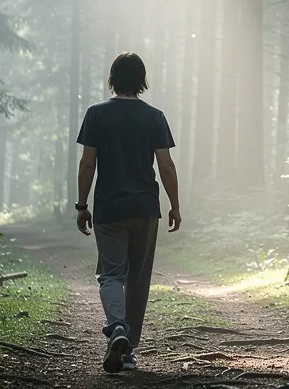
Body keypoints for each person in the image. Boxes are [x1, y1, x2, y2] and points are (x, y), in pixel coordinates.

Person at [74, 52, 182, 373]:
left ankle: (117, 329)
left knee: (110, 274)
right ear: (142, 81)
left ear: (113, 79)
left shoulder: (96, 114)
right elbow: (165, 164)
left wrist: (82, 206)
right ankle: (128, 349)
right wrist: (175, 205)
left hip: (109, 208)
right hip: (146, 209)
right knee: (137, 279)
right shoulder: (155, 117)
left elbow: (87, 163)